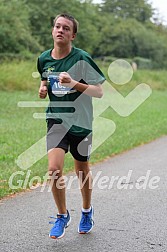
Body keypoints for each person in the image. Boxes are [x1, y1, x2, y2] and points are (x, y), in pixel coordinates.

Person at [37, 13, 105, 239]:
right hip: (56, 119)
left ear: (73, 35)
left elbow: (99, 92)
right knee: (54, 170)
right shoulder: (44, 58)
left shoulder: (82, 58)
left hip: (81, 123)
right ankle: (62, 215)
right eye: (57, 26)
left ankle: (86, 211)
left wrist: (74, 83)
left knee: (81, 170)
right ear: (52, 30)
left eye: (66, 28)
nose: (60, 30)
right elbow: (45, 77)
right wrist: (43, 88)